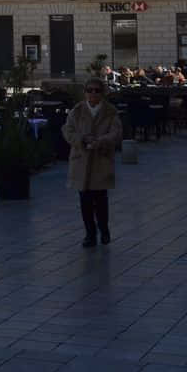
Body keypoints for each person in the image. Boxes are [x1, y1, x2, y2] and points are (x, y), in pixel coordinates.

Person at [61, 79, 122, 247]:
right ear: (85, 92)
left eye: (97, 90)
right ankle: (90, 234)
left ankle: (104, 229)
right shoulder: (78, 110)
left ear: (102, 93)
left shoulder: (110, 111)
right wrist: (81, 140)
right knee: (85, 200)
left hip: (101, 160)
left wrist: (101, 141)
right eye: (89, 90)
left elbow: (116, 133)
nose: (93, 94)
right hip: (81, 160)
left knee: (101, 199)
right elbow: (67, 130)